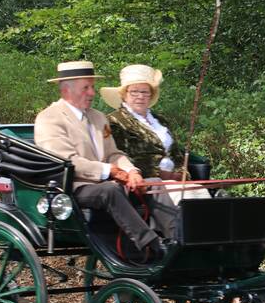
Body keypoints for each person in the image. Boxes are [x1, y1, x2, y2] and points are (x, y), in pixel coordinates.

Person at [33, 61, 176, 258]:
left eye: (92, 87)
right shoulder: (49, 118)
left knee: (153, 183)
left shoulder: (98, 117)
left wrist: (132, 172)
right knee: (110, 190)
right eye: (86, 88)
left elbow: (113, 154)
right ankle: (151, 245)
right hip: (72, 188)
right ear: (67, 90)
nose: (92, 93)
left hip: (107, 184)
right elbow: (66, 160)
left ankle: (178, 239)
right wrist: (110, 171)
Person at [104, 64, 210, 204]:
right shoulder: (115, 121)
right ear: (124, 94)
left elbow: (176, 154)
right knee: (185, 199)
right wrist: (162, 174)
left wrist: (182, 174)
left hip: (176, 181)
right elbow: (119, 157)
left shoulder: (160, 121)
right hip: (146, 182)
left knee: (203, 194)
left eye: (145, 92)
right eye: (134, 92)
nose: (140, 96)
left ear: (151, 95)